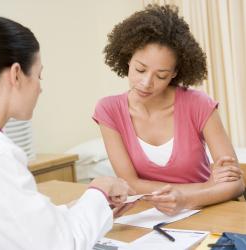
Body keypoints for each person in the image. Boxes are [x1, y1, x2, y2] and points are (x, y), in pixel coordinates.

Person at [0, 17, 136, 250]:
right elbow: (60, 244)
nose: (40, 88)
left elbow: (18, 224)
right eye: (38, 75)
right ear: (16, 74)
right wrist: (100, 190)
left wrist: (81, 207)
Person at [93, 4, 245, 216]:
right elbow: (129, 183)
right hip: (151, 216)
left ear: (175, 73)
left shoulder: (198, 104)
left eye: (161, 75)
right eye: (140, 69)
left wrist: (187, 200)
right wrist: (205, 187)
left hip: (208, 212)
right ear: (127, 58)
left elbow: (235, 184)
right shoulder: (109, 110)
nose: (146, 83)